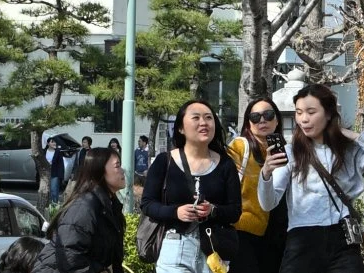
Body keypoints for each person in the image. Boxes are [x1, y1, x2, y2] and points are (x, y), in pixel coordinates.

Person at [259, 83, 364, 273]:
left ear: (328, 113)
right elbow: (268, 203)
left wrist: (356, 137)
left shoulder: (348, 150)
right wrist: (266, 173)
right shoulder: (292, 152)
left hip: (343, 240)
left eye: (311, 112)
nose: (303, 119)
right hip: (303, 238)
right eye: (299, 112)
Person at [143, 99, 243, 273]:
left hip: (214, 252)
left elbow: (235, 211)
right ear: (181, 128)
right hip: (174, 247)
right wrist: (176, 212)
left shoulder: (226, 165)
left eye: (208, 118)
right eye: (195, 118)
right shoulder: (164, 161)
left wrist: (212, 210)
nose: (203, 123)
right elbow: (147, 204)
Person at [33, 149, 127, 273]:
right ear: (100, 171)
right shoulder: (84, 206)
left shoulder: (110, 205)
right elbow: (70, 257)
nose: (123, 170)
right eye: (117, 166)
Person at [228, 97, 290, 273]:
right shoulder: (240, 146)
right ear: (249, 123)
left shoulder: (287, 150)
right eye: (255, 117)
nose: (262, 120)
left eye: (268, 115)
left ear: (277, 120)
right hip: (242, 229)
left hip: (277, 232)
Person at [44, 139, 68, 204]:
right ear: (48, 143)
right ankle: (47, 205)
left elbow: (61, 165)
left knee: (54, 190)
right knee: (46, 191)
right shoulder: (44, 151)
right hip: (45, 174)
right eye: (52, 142)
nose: (54, 143)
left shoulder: (58, 152)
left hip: (55, 174)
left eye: (55, 142)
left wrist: (61, 176)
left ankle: (54, 205)